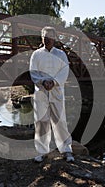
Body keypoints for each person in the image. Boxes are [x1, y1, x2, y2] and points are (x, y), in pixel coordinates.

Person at [29, 26, 74, 162]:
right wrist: (42, 82)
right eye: (45, 37)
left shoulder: (61, 55)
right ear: (42, 38)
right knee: (41, 122)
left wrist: (54, 82)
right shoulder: (36, 54)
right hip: (41, 92)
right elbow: (33, 72)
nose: (47, 39)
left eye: (50, 37)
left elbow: (64, 71)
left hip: (57, 92)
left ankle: (66, 150)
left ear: (54, 39)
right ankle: (41, 151)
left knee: (60, 121)